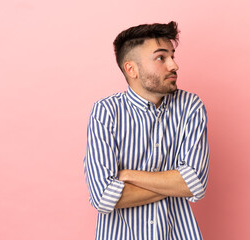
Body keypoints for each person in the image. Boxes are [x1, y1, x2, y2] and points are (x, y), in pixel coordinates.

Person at [84, 21, 210, 240]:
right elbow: (103, 196)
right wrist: (174, 185)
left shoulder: (190, 106)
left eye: (172, 56)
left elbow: (195, 183)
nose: (174, 65)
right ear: (131, 69)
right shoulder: (105, 112)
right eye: (161, 57)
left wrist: (129, 175)